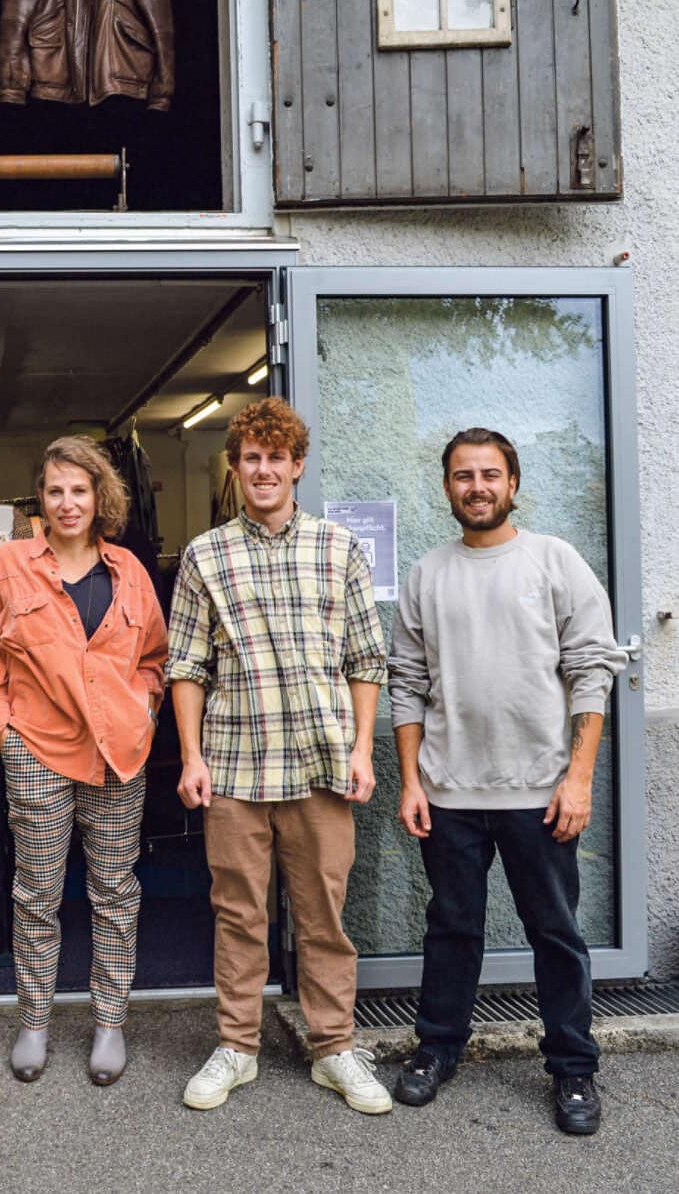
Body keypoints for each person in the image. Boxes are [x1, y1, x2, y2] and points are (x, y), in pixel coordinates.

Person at [389, 427, 628, 1135]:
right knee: (451, 928)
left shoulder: (553, 560)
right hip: (448, 791)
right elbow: (406, 683)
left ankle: (573, 1067)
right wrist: (410, 782)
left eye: (489, 474)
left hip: (540, 792)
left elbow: (592, 669)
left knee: (555, 932)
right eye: (463, 475)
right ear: (446, 487)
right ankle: (437, 1048)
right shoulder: (427, 574)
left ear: (512, 483)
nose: (477, 487)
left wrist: (578, 779)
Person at [166, 396, 392, 1115]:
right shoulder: (205, 555)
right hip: (234, 767)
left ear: (297, 466)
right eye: (250, 458)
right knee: (237, 915)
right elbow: (185, 667)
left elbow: (366, 659)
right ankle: (237, 1046)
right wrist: (191, 757)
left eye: (276, 458)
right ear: (234, 468)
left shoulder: (338, 548)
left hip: (322, 766)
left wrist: (363, 749)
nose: (263, 470)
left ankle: (334, 1049)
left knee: (323, 917)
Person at [0, 435, 167, 1085]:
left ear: (98, 496)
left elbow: (154, 659)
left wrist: (144, 711)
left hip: (117, 753)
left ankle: (110, 1022)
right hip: (37, 748)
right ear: (41, 497)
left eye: (79, 490)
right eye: (55, 490)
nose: (67, 502)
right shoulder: (9, 565)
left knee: (114, 890)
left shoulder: (130, 571)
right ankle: (34, 1021)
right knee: (36, 892)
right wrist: (4, 728)